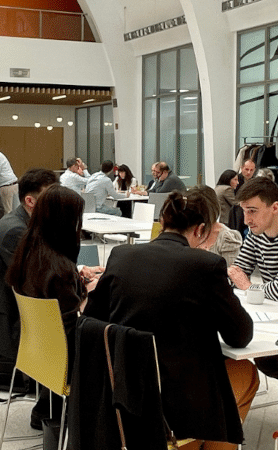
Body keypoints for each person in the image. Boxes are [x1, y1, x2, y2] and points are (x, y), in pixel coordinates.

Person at [84, 187, 257, 449]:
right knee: (246, 373)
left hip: (121, 392)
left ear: (162, 221)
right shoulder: (205, 265)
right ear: (201, 230)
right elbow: (240, 335)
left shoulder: (121, 255)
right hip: (174, 404)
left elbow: (92, 319)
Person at [5, 184, 93, 429]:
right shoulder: (60, 268)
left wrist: (77, 282)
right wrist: (90, 292)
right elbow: (72, 323)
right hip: (62, 355)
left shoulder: (29, 251)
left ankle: (46, 405)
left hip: (37, 351)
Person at [0, 169, 60, 398]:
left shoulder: (23, 221)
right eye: (51, 196)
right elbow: (33, 281)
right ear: (30, 201)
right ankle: (53, 396)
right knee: (64, 327)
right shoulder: (16, 230)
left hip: (4, 304)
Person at [229, 177, 278, 303]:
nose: (246, 221)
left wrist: (248, 287)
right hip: (273, 308)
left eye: (252, 211)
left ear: (275, 208)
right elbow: (235, 274)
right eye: (244, 211)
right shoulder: (256, 232)